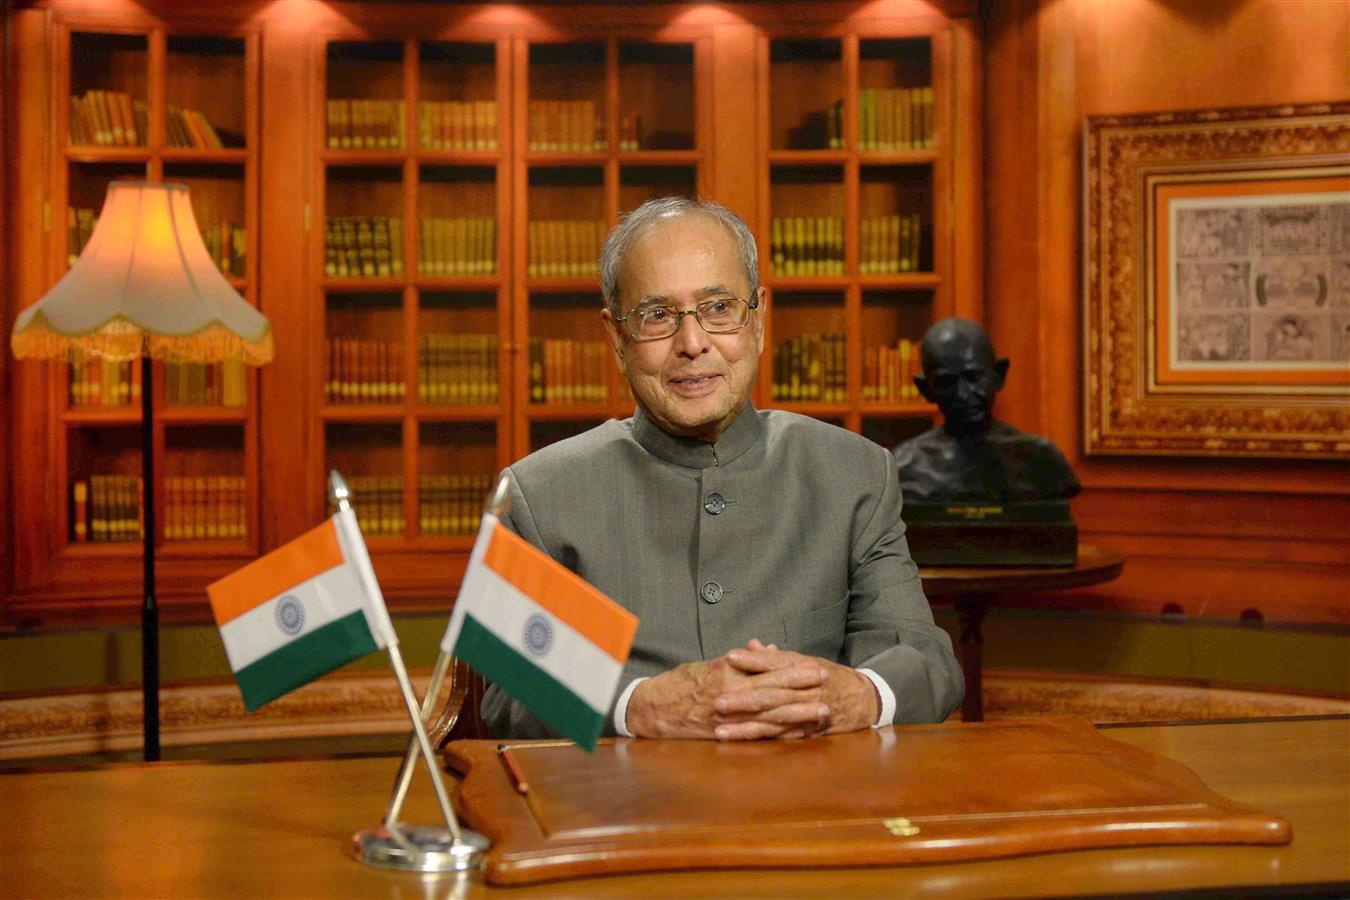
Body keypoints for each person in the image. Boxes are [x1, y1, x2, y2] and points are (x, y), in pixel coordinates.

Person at [482, 196, 962, 742]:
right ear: (617, 338)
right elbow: (506, 693)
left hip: (812, 808)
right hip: (626, 814)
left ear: (757, 318)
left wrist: (854, 694)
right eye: (657, 316)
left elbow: (923, 660)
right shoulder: (535, 494)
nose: (693, 344)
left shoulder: (856, 475)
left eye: (718, 308)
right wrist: (638, 706)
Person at [894, 318, 1080, 502]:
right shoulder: (904, 466)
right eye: (947, 382)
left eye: (974, 378)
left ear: (999, 375)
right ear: (925, 389)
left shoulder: (1042, 460)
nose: (963, 394)